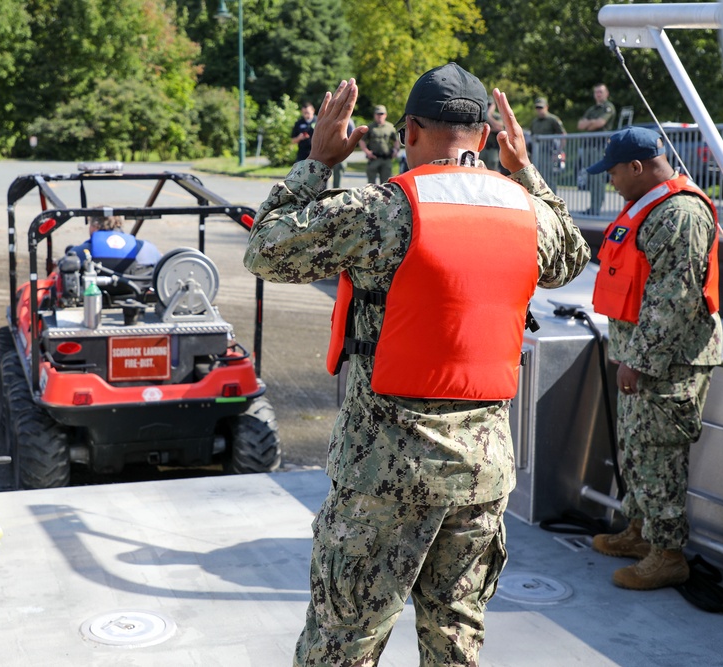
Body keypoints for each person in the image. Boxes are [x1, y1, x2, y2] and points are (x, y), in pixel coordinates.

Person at [243, 64, 590, 666]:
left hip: (383, 473)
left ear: (408, 131)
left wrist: (318, 162)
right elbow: (572, 257)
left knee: (343, 642)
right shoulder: (529, 215)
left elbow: (266, 248)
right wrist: (525, 171)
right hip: (482, 474)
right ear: (484, 136)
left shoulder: (380, 210)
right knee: (455, 640)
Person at [586, 127, 722, 590]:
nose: (612, 182)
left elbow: (674, 299)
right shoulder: (649, 208)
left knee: (660, 457)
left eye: (615, 173)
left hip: (669, 365)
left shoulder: (679, 214)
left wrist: (638, 360)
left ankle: (667, 555)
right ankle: (640, 533)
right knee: (637, 451)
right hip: (643, 360)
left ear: (638, 167)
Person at [71, 212, 161, 273]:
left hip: (95, 296)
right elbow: (162, 263)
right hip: (136, 294)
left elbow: (65, 264)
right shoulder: (145, 247)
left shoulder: (82, 251)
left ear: (95, 226)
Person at [577, 83, 616, 215]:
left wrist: (590, 124)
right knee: (591, 177)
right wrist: (592, 124)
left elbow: (601, 123)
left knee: (597, 178)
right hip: (588, 147)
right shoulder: (592, 109)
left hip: (599, 147)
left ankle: (596, 207)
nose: (598, 94)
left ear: (607, 93)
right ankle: (593, 206)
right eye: (596, 92)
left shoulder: (608, 107)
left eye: (601, 92)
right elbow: (580, 125)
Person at [358, 104, 399, 183]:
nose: (380, 116)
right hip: (373, 158)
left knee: (386, 184)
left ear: (385, 115)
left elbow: (396, 140)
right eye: (378, 114)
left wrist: (396, 150)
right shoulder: (369, 127)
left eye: (382, 114)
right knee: (371, 184)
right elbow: (362, 141)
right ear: (374, 115)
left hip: (386, 159)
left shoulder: (390, 127)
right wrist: (367, 152)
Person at [529, 97, 566, 176]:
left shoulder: (553, 119)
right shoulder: (534, 121)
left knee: (549, 177)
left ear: (546, 107)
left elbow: (563, 135)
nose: (539, 110)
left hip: (550, 153)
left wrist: (559, 152)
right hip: (537, 154)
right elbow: (531, 137)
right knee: (537, 177)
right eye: (537, 107)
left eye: (541, 107)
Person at [330, 117, 356, 189]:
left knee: (338, 173)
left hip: (340, 153)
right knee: (323, 174)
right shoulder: (329, 118)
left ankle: (335, 193)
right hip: (328, 152)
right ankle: (322, 195)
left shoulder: (348, 121)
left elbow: (352, 136)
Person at [481, 98, 505, 172]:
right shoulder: (481, 115)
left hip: (493, 149)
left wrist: (489, 115)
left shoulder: (497, 116)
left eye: (490, 104)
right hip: (482, 148)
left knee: (493, 170)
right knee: (480, 169)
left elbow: (499, 127)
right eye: (487, 104)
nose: (488, 106)